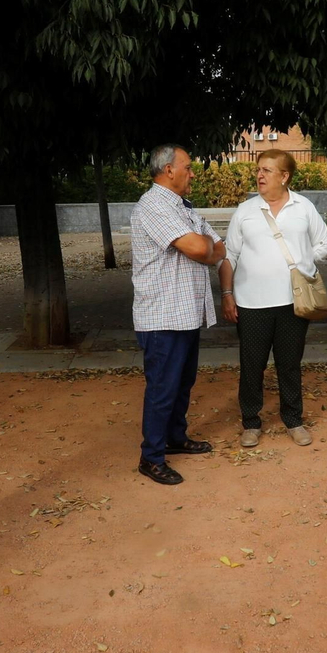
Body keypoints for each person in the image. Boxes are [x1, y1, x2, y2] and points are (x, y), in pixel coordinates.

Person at [220, 149, 327, 448]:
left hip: (292, 302)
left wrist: (303, 264)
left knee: (289, 364)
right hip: (250, 303)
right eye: (259, 170)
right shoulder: (245, 211)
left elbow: (326, 243)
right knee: (251, 365)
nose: (260, 175)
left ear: (284, 177)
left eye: (267, 170)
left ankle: (294, 420)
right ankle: (251, 422)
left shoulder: (303, 207)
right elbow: (229, 255)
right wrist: (228, 294)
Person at [131, 143, 228, 485]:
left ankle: (175, 437)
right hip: (162, 316)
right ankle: (151, 457)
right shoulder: (154, 206)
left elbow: (220, 247)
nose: (192, 173)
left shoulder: (182, 207)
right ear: (168, 170)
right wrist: (206, 248)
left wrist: (207, 248)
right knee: (162, 387)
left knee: (182, 382)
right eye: (187, 167)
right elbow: (204, 247)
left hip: (185, 313)